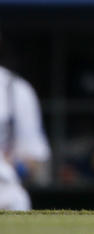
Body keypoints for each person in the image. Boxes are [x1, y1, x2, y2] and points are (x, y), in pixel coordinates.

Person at [0, 63, 50, 210]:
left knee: (17, 198)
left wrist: (15, 164)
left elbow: (36, 160)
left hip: (3, 186)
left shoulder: (15, 88)